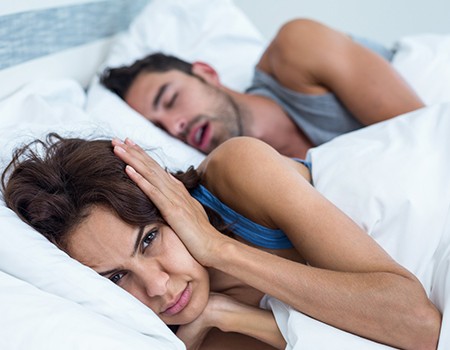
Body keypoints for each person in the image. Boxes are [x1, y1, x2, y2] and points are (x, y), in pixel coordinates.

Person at [1, 133, 440, 350]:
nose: (155, 287)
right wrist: (230, 316)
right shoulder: (187, 332)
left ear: (172, 201)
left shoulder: (236, 174)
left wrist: (218, 248)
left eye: (150, 239)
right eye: (117, 277)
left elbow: (419, 325)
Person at [100, 19, 424, 159]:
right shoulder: (244, 181)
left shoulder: (296, 51)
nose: (175, 126)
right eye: (159, 128)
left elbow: (427, 136)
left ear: (206, 73)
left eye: (171, 100)